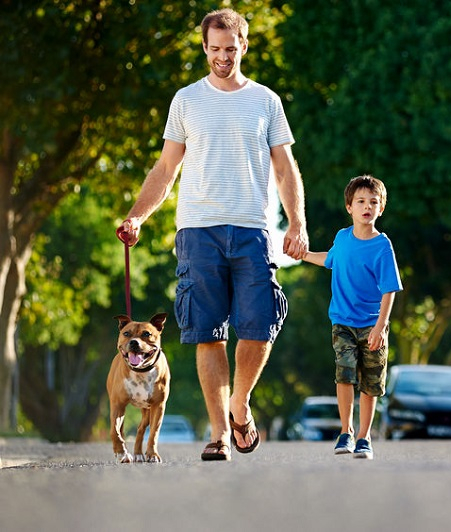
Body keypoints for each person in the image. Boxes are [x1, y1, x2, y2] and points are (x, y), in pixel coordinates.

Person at [116, 8, 308, 461]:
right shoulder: (186, 100)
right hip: (197, 231)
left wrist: (296, 222)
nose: (223, 57)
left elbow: (284, 168)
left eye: (230, 48)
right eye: (215, 49)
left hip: (252, 229)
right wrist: (138, 216)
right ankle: (220, 432)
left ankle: (239, 404)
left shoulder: (266, 101)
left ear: (243, 46)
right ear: (205, 48)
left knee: (259, 326)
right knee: (207, 334)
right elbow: (167, 168)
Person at [303, 175, 403, 460]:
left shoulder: (382, 246)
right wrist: (302, 254)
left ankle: (364, 437)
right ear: (349, 207)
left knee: (371, 383)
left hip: (373, 324)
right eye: (360, 201)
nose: (367, 206)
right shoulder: (342, 237)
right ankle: (345, 431)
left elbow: (389, 289)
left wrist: (381, 327)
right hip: (343, 321)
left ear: (381, 209)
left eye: (373, 202)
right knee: (344, 372)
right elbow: (330, 260)